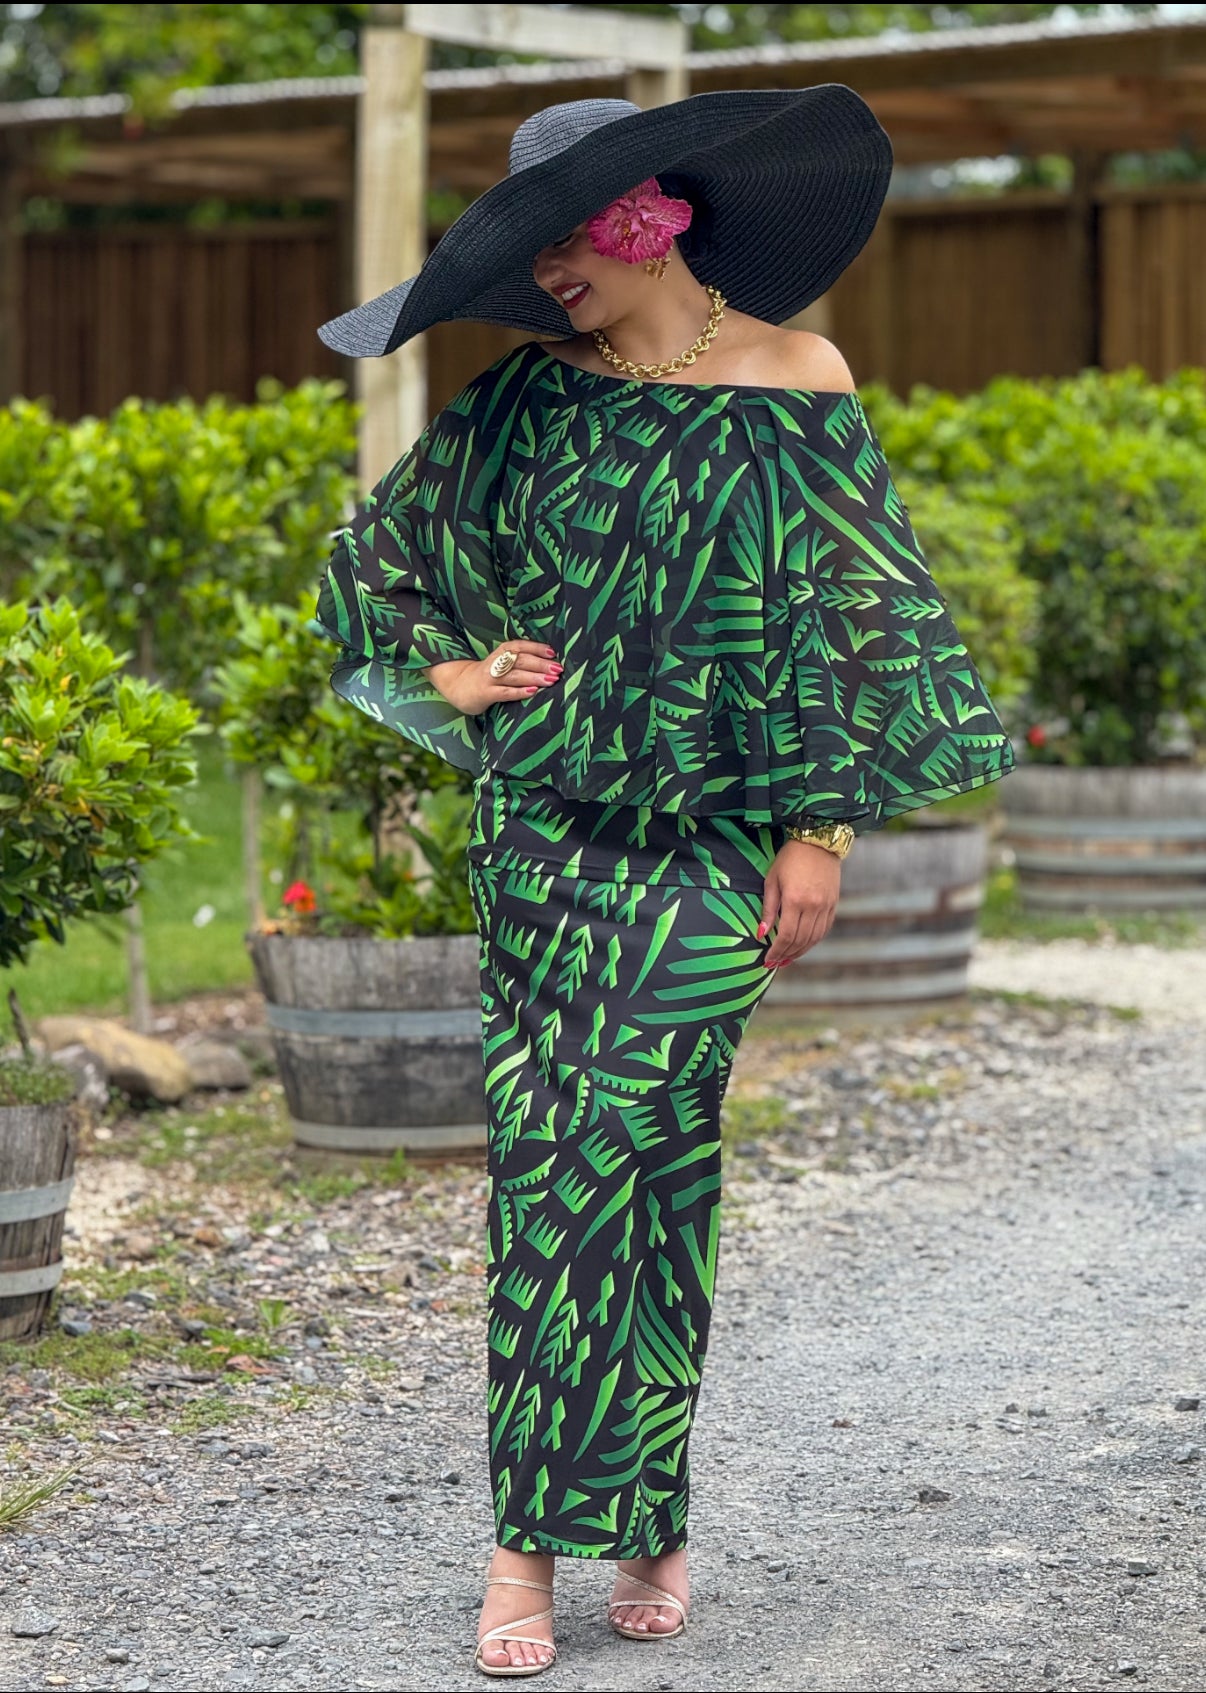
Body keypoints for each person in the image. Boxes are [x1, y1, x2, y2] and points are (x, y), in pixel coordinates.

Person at [313, 89, 1015, 1678]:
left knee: (642, 1154)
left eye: (561, 236)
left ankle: (620, 1509)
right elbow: (374, 573)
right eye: (524, 247)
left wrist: (817, 834)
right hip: (551, 838)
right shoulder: (524, 404)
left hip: (709, 852)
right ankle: (545, 1540)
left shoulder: (799, 379)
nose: (544, 271)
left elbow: (847, 628)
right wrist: (461, 676)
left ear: (651, 216)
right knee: (560, 1169)